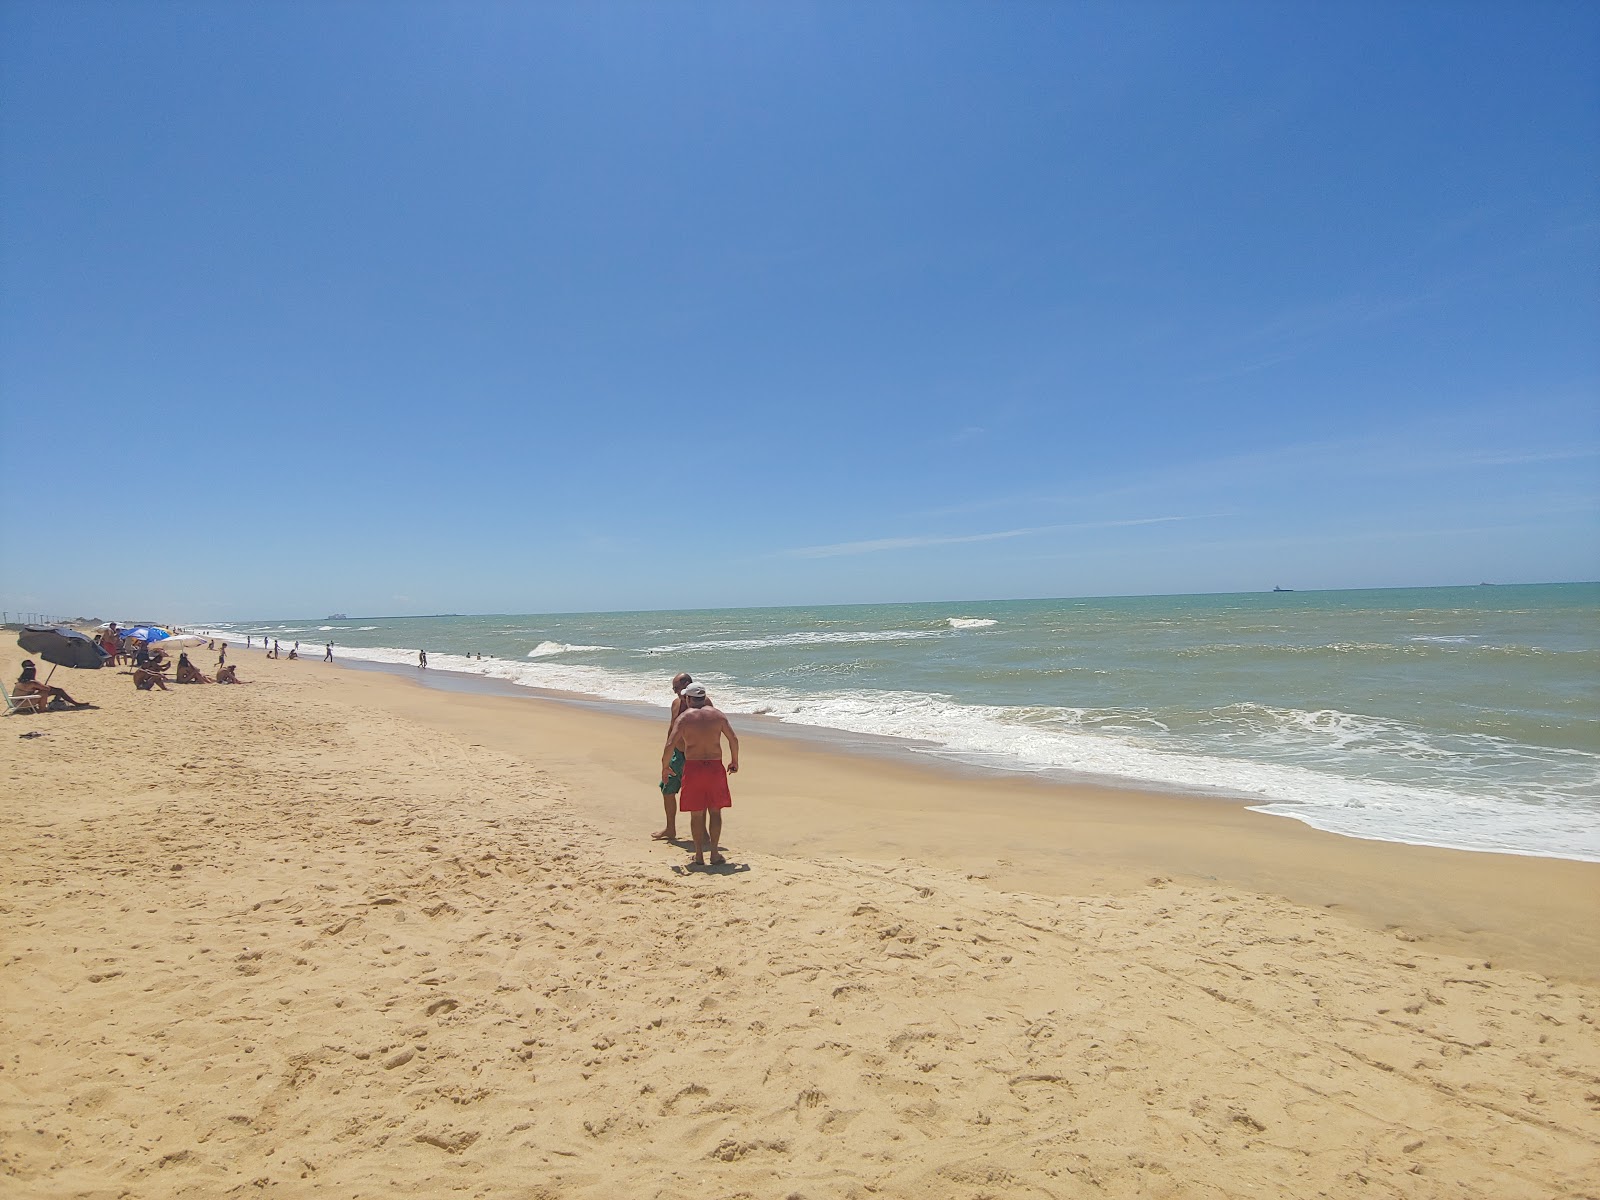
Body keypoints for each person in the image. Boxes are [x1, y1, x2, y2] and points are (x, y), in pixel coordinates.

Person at [661, 683, 739, 866]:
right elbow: (733, 739)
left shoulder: (684, 718)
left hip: (693, 768)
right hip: (714, 767)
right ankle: (714, 853)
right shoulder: (718, 715)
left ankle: (698, 855)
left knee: (696, 814)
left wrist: (665, 767)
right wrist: (734, 760)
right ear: (704, 697)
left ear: (688, 699)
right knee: (715, 812)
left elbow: (670, 744)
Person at [652, 673, 696, 841]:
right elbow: (671, 730)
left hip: (694, 756)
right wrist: (666, 755)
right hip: (677, 754)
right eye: (674, 689)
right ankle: (670, 828)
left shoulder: (702, 704)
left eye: (677, 688)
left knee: (694, 795)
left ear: (687, 685)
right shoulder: (676, 703)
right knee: (667, 788)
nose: (675, 692)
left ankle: (701, 833)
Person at [13, 661, 89, 709]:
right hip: (22, 703)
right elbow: (46, 689)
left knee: (58, 690)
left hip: (18, 702)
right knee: (45, 692)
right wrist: (45, 687)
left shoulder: (21, 681)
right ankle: (43, 709)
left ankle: (72, 702)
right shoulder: (32, 682)